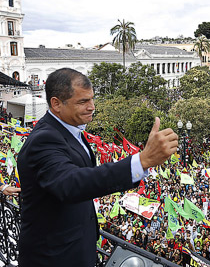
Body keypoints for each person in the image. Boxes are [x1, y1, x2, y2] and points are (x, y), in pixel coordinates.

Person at [17, 68, 179, 267]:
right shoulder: (44, 139)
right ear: (56, 104)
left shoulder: (71, 130)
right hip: (53, 256)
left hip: (76, 248)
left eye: (92, 99)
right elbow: (71, 183)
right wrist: (142, 161)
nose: (92, 106)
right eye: (83, 101)